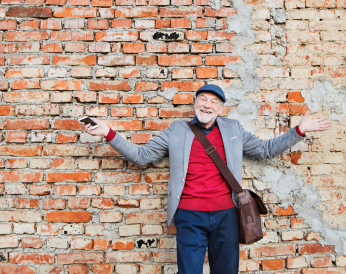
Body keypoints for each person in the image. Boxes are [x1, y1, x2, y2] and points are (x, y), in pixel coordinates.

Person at [83, 84, 332, 274]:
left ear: (220, 109)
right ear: (195, 104)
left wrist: (299, 130)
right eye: (203, 99)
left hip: (227, 215)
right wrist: (108, 133)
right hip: (189, 215)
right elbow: (141, 155)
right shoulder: (176, 130)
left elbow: (266, 150)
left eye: (214, 102)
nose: (207, 105)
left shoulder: (233, 129)